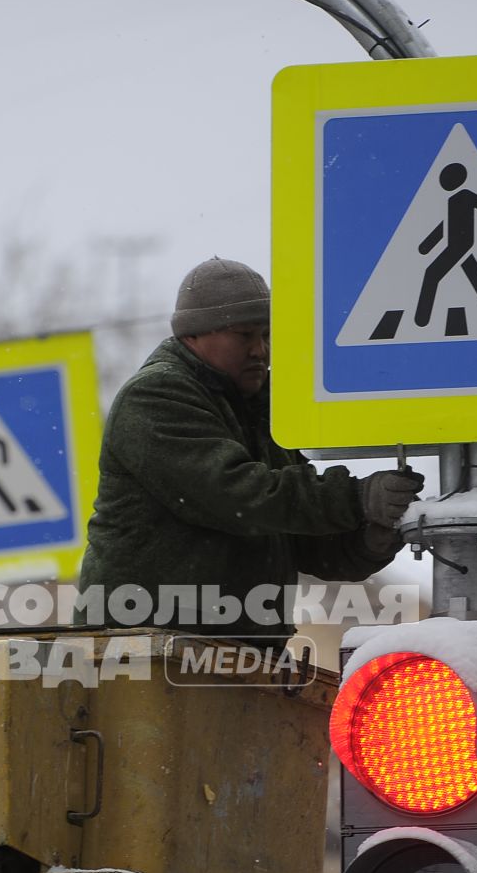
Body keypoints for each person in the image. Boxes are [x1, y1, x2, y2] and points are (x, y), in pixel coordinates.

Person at [78, 257, 422, 636]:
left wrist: (370, 538)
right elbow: (237, 496)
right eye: (244, 335)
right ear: (193, 335)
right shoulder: (155, 395)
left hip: (233, 648)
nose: (260, 350)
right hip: (143, 647)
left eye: (267, 335)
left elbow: (301, 538)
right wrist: (356, 497)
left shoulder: (265, 410)